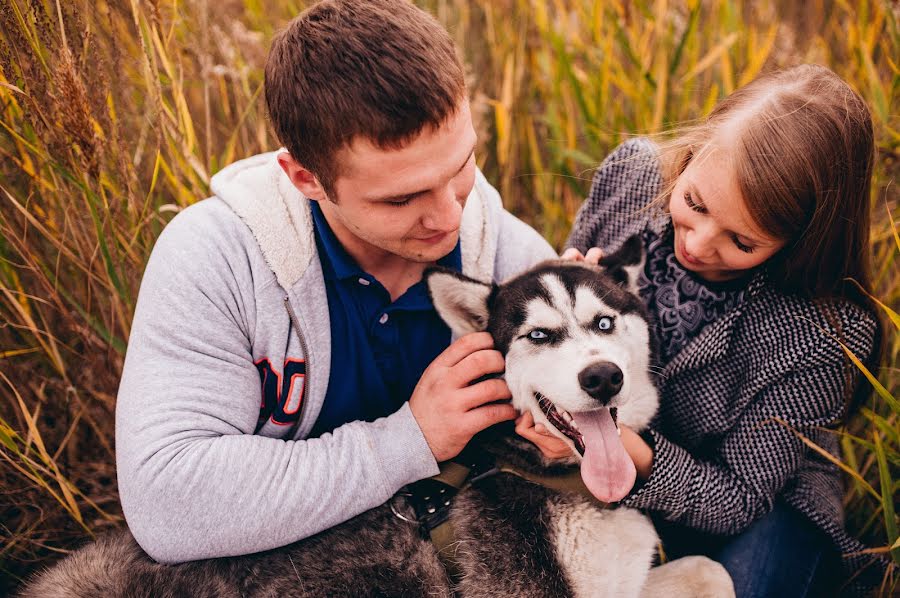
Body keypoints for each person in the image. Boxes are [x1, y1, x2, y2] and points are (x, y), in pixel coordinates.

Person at [115, 0, 555, 563]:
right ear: (306, 177)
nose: (448, 216)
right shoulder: (216, 257)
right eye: (401, 198)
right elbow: (169, 504)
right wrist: (409, 440)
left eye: (461, 166)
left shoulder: (514, 265)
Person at [518, 64, 886, 596]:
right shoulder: (634, 179)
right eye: (694, 205)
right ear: (691, 155)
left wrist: (626, 451)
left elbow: (736, 500)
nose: (698, 244)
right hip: (597, 457)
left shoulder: (822, 334)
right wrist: (567, 294)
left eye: (741, 242)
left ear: (802, 240)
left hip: (755, 508)